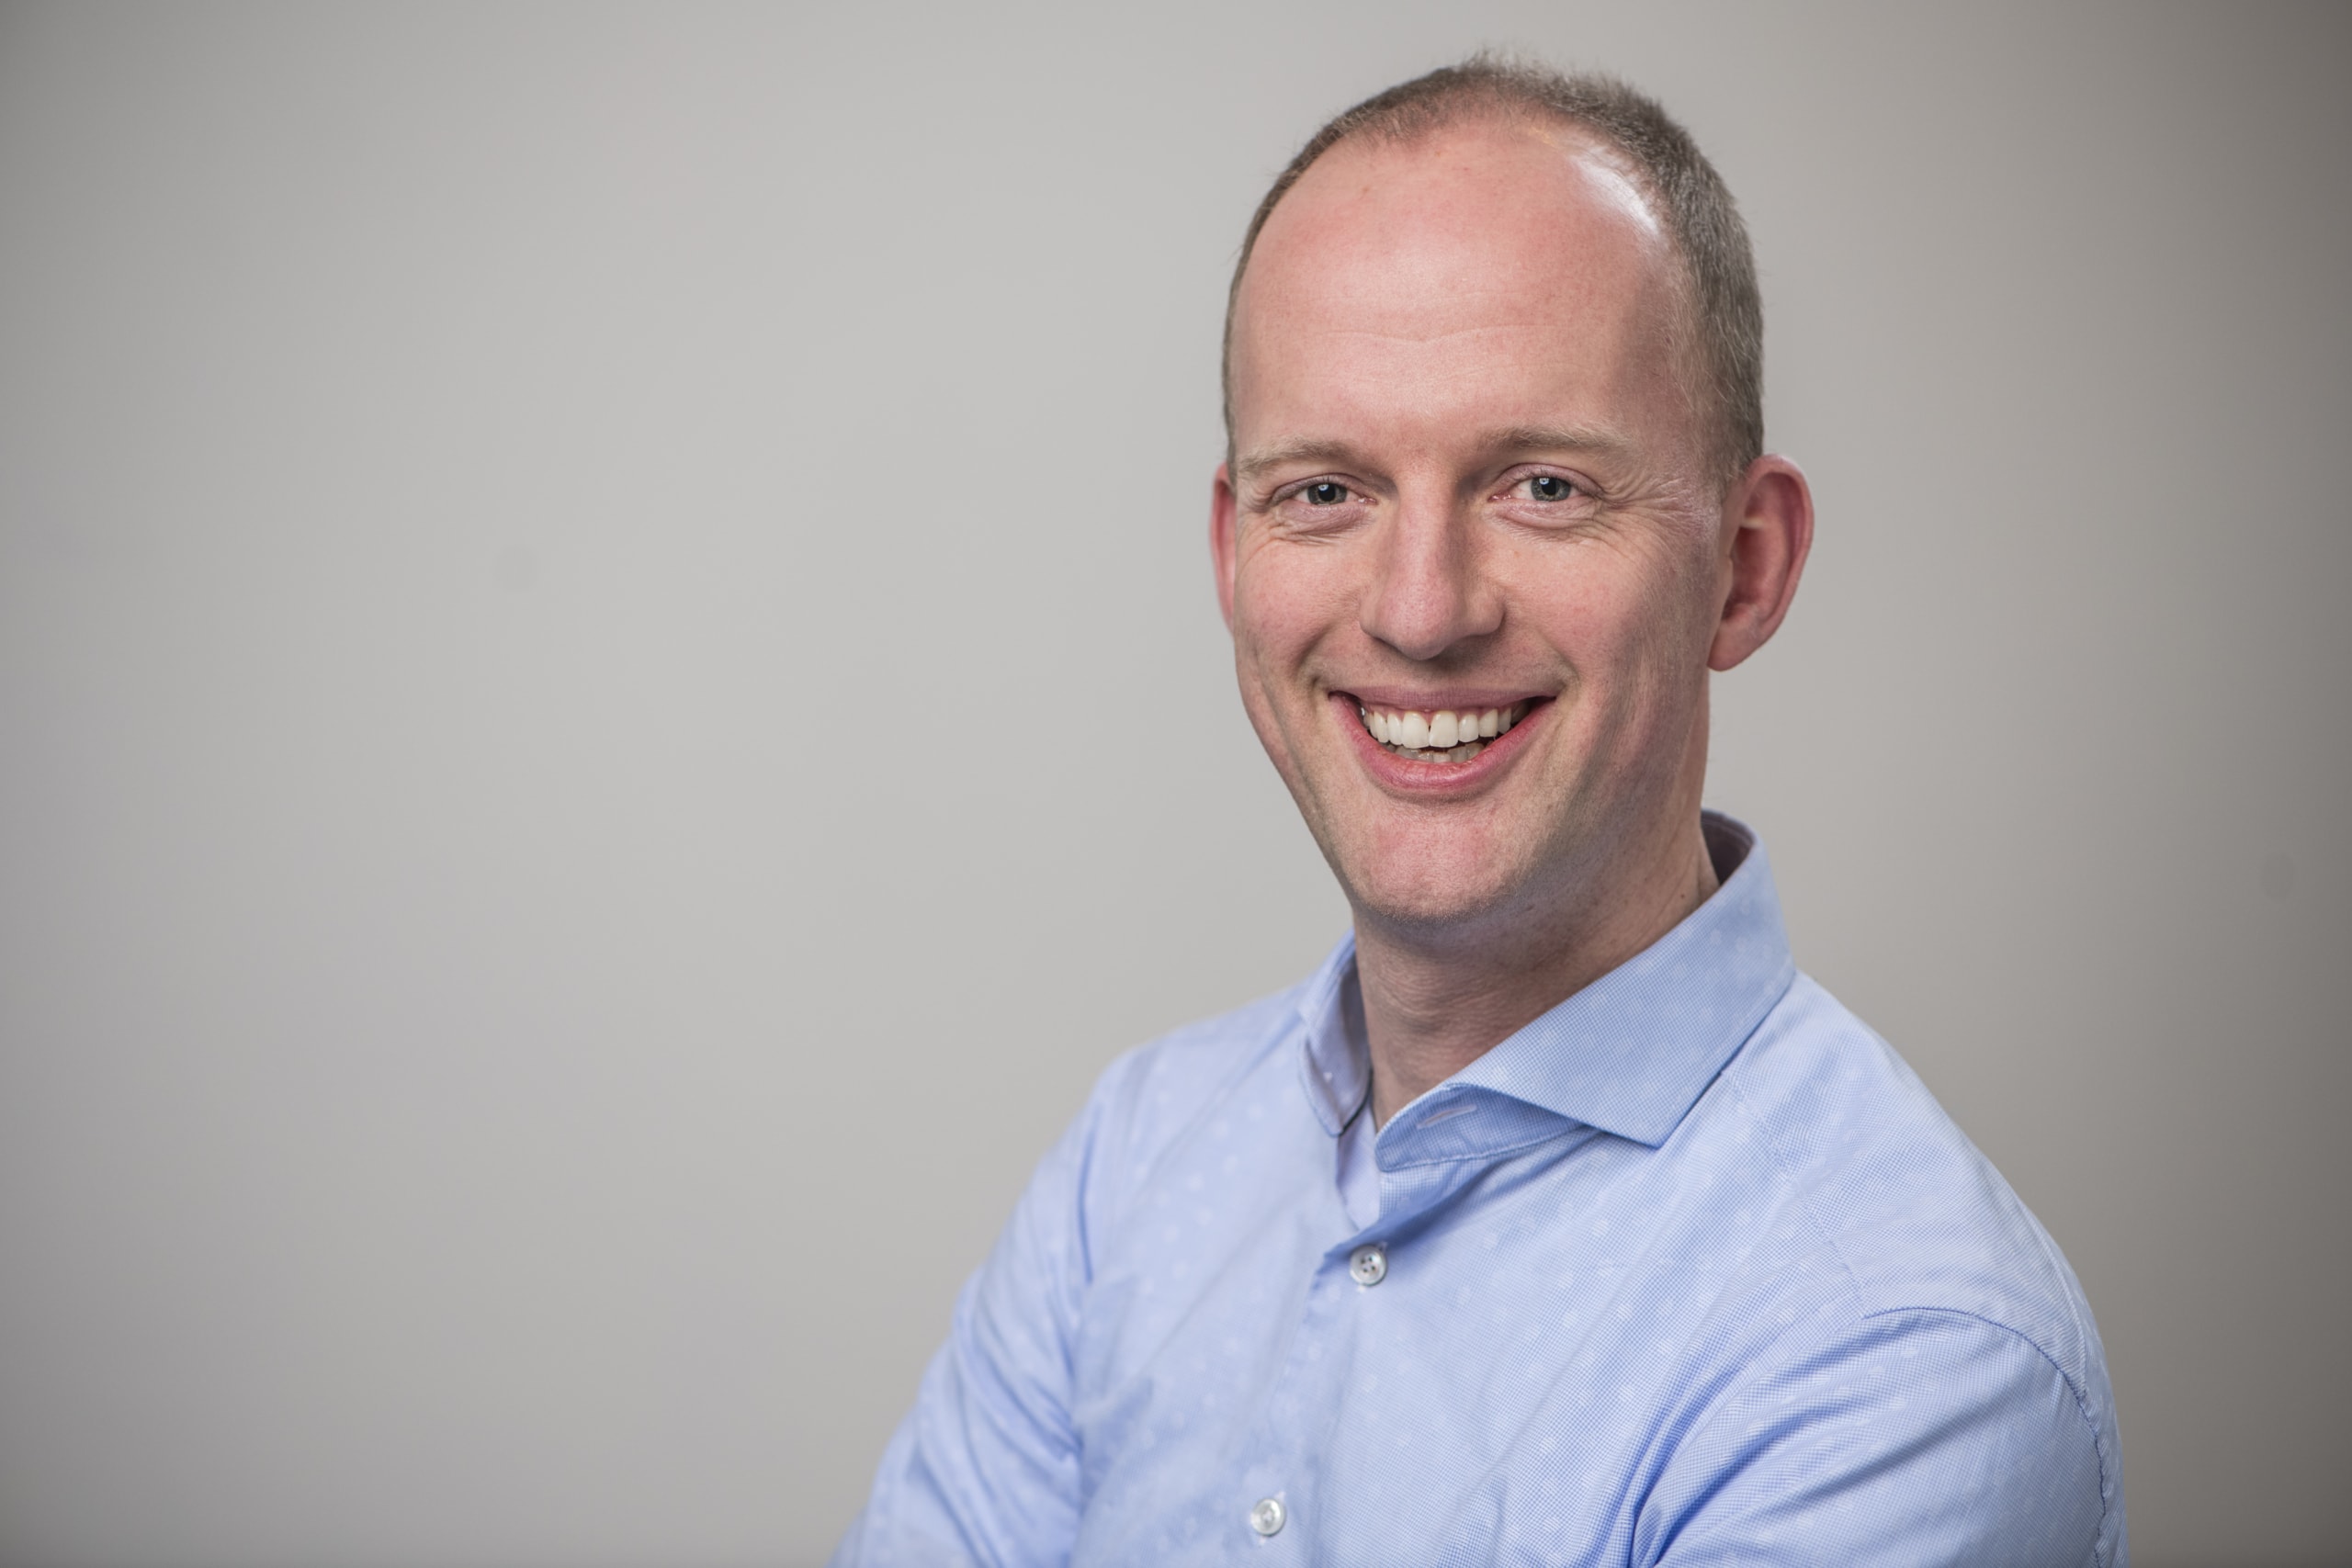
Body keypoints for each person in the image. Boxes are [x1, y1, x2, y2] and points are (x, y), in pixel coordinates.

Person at [832, 59, 2123, 1566]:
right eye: (1325, 492)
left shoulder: (1898, 1357)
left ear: (1747, 566)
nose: (1421, 610)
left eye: (1543, 487)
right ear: (1234, 557)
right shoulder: (1136, 1168)